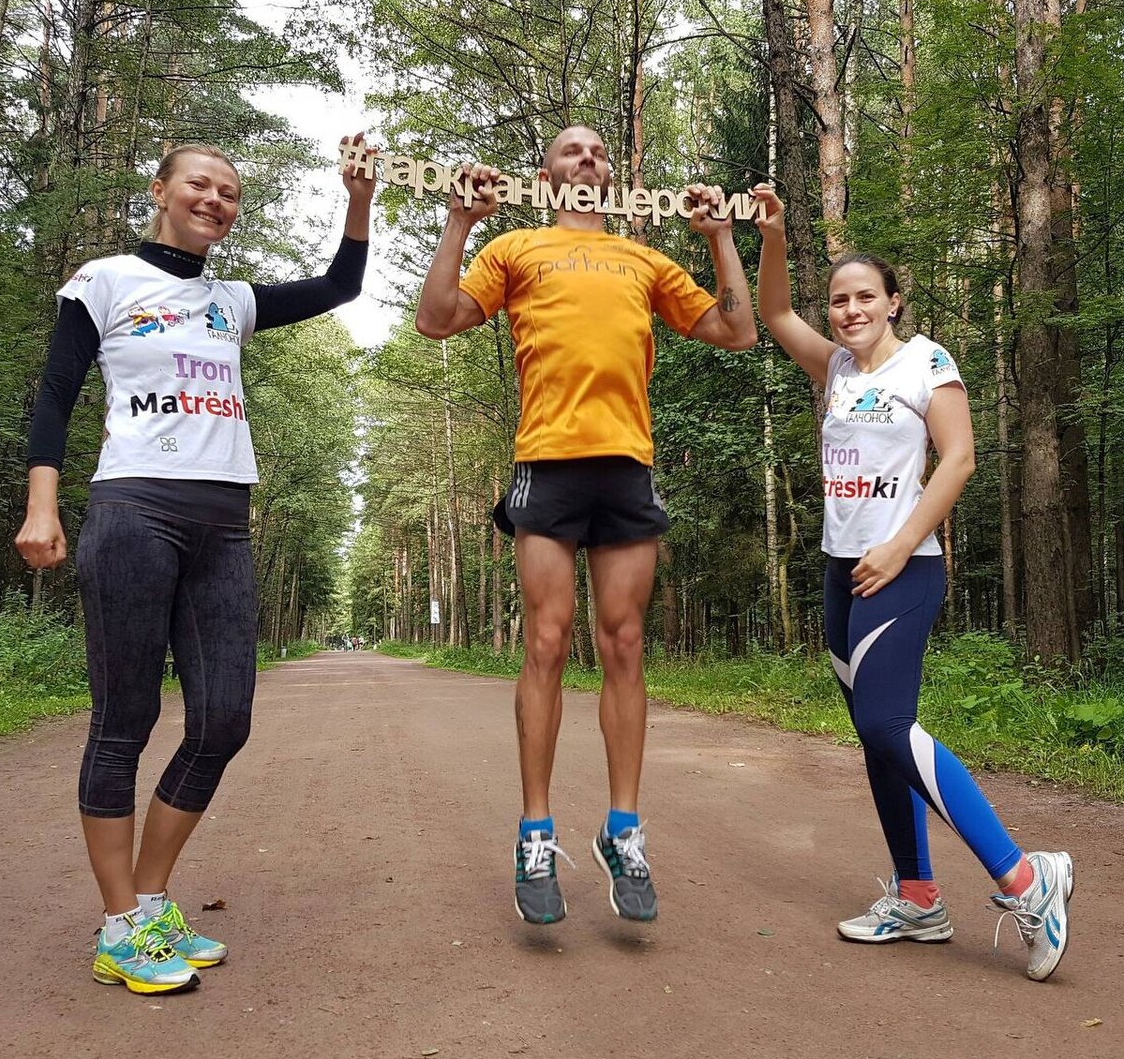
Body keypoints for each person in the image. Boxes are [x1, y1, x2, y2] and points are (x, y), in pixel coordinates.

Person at [16, 137, 376, 993]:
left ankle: (148, 903)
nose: (215, 199)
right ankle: (117, 928)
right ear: (162, 190)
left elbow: (341, 287)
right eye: (200, 185)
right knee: (124, 720)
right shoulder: (102, 281)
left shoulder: (232, 302)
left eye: (229, 192)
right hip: (133, 510)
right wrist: (42, 503)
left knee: (224, 719)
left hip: (225, 524)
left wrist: (357, 197)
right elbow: (56, 394)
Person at [416, 126, 757, 924]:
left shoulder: (643, 259)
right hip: (549, 462)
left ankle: (624, 830)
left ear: (612, 176)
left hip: (626, 466)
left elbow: (735, 330)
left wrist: (719, 240)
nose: (588, 160)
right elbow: (438, 319)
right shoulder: (517, 247)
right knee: (546, 638)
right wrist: (461, 222)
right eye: (573, 152)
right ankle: (536, 832)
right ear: (546, 174)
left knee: (624, 641)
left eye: (599, 153)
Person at [752, 184, 1073, 981]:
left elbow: (958, 458)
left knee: (890, 726)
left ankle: (1028, 879)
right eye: (839, 300)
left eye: (866, 296)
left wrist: (900, 546)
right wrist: (775, 235)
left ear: (894, 301)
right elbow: (772, 312)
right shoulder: (831, 367)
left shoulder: (927, 361)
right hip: (840, 572)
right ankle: (920, 897)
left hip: (902, 571)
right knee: (873, 737)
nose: (850, 309)